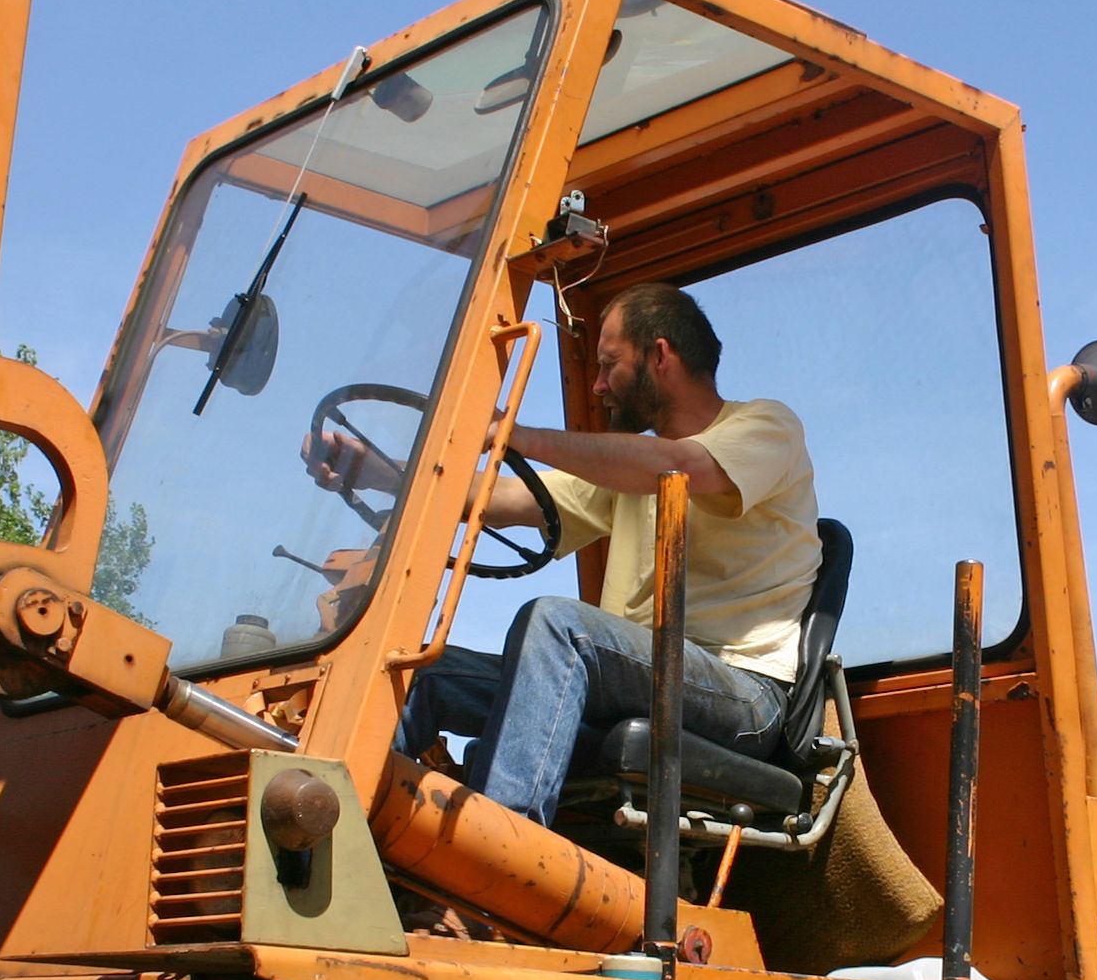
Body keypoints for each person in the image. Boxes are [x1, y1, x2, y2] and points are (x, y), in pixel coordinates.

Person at [306, 282, 820, 827]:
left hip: (742, 695)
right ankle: (336, 831)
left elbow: (681, 467)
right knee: (427, 674)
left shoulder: (765, 427)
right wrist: (379, 471)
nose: (597, 385)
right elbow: (507, 497)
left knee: (559, 626)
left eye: (608, 364)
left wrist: (520, 436)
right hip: (636, 683)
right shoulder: (626, 473)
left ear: (660, 356)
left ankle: (503, 857)